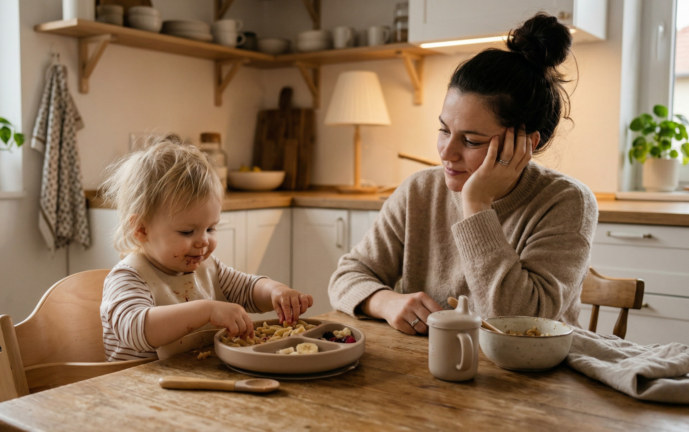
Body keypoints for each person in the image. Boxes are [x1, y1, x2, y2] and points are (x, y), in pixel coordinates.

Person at [328, 13, 597, 335]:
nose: (446, 152)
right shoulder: (420, 190)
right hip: (427, 369)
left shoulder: (566, 201)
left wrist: (477, 203)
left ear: (526, 143)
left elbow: (518, 322)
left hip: (532, 375)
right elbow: (347, 276)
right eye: (444, 130)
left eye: (471, 140)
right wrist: (385, 301)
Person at [100, 136, 314, 361]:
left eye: (211, 229)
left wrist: (276, 292)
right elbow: (137, 330)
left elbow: (248, 289)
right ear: (142, 229)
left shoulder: (208, 269)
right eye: (186, 232)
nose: (203, 242)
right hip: (138, 388)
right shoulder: (128, 278)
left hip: (196, 379)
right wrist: (207, 311)